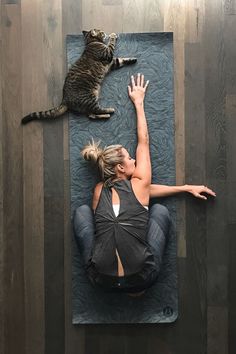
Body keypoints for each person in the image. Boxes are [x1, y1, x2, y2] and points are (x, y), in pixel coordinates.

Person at [73, 73, 216, 295]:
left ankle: (118, 283)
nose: (134, 160)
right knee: (159, 211)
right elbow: (144, 141)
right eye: (129, 159)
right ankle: (137, 290)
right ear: (121, 168)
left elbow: (141, 195)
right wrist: (139, 103)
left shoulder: (98, 190)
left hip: (100, 281)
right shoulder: (139, 185)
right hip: (142, 278)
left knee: (82, 212)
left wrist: (186, 188)